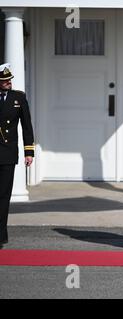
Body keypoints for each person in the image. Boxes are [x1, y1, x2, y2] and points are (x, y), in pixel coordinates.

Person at [0, 63, 35, 249]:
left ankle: (0, 236)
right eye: (4, 80)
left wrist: (29, 152)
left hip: (7, 153)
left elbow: (27, 126)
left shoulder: (18, 98)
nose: (8, 82)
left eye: (9, 79)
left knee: (3, 196)